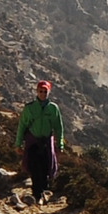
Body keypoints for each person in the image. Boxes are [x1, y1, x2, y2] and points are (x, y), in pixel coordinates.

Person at [15, 78, 63, 207]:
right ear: (37, 91)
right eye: (40, 91)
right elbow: (22, 126)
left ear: (49, 92)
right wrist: (18, 144)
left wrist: (60, 144)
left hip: (47, 142)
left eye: (45, 91)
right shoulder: (29, 108)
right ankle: (38, 193)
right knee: (35, 168)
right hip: (33, 143)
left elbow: (58, 127)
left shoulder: (53, 109)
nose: (42, 93)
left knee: (46, 167)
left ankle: (42, 191)